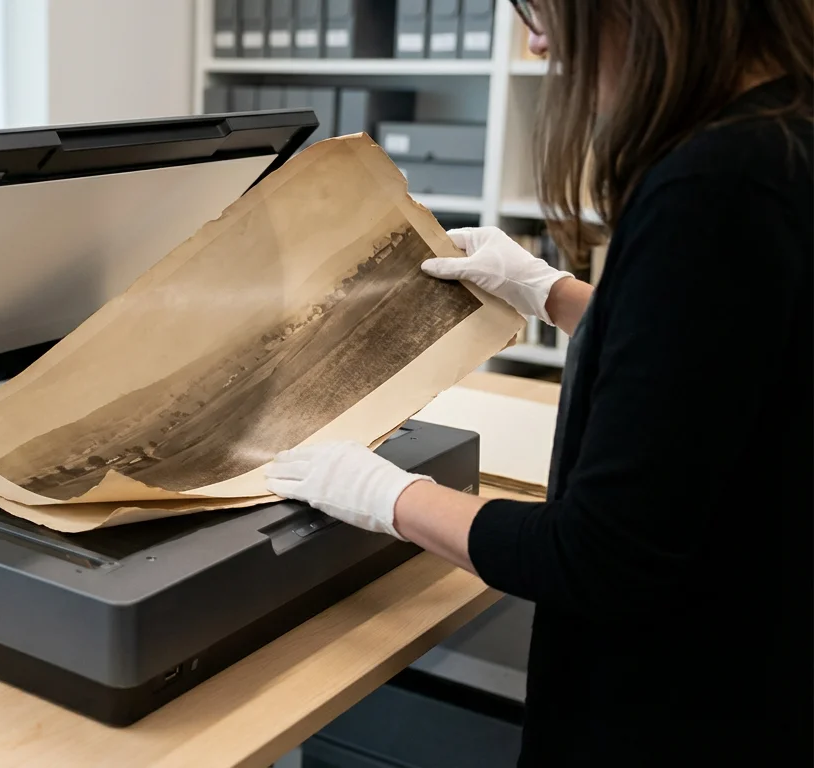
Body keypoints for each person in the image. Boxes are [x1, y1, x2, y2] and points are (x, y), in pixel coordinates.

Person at [265, 1, 813, 765]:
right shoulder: (785, 131)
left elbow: (597, 558)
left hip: (677, 708)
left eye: (538, 5)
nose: (536, 38)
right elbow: (720, 364)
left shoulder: (718, 186)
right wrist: (551, 292)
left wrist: (384, 495)